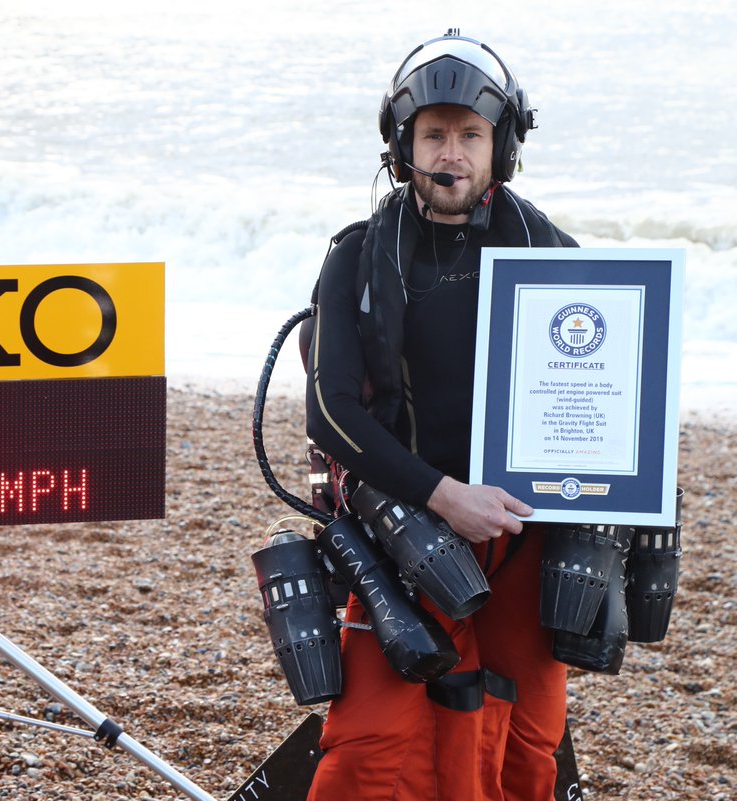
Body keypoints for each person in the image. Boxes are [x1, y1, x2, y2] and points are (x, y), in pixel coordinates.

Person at [304, 31, 579, 801]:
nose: (451, 153)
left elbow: (617, 393)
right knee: (370, 750)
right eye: (434, 134)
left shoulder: (559, 259)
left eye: (469, 135)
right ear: (402, 145)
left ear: (502, 147)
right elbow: (327, 411)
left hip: (523, 537)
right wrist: (440, 495)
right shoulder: (356, 257)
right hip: (403, 530)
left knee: (523, 748)